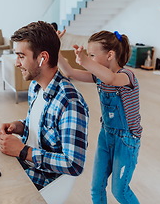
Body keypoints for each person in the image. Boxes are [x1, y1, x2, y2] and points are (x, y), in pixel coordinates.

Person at [0, 21, 89, 190]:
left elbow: (74, 165)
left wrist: (23, 151)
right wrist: (19, 126)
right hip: (27, 164)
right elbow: (42, 128)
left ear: (42, 58)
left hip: (45, 179)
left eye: (21, 56)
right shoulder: (36, 86)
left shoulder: (70, 103)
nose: (17, 63)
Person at [58, 30, 142, 204]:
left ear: (110, 55)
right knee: (96, 188)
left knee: (120, 191)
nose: (89, 58)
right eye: (89, 55)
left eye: (92, 55)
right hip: (106, 136)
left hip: (126, 142)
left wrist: (85, 60)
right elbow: (69, 72)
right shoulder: (98, 78)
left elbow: (111, 79)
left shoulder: (127, 76)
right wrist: (55, 46)